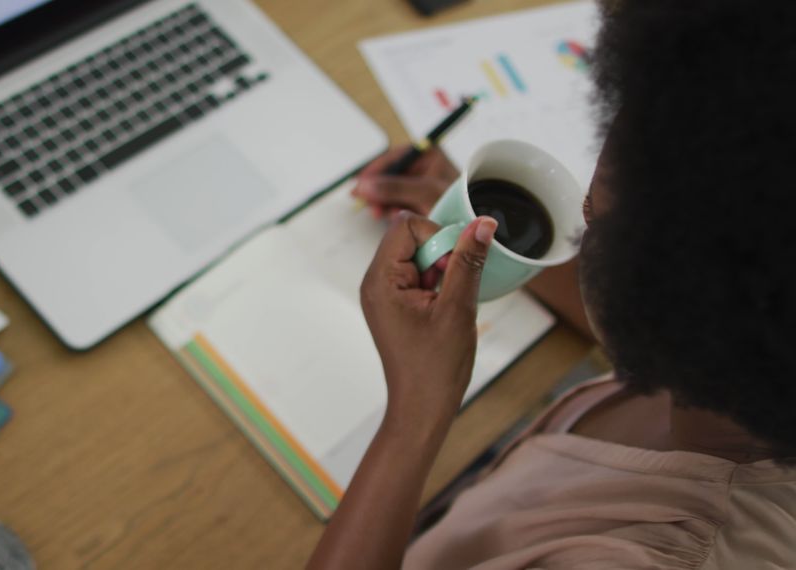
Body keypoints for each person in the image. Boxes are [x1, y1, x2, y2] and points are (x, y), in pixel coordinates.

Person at [307, 1, 796, 568]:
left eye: (595, 218)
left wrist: (415, 413)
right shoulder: (743, 369)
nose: (582, 231)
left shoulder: (648, 554)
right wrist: (463, 208)